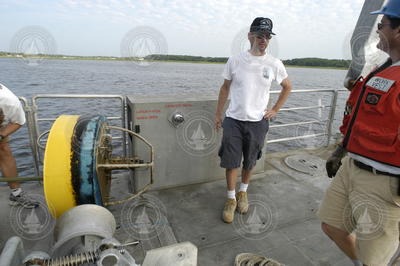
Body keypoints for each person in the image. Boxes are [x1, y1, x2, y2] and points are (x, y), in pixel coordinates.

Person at [318, 0, 400, 265]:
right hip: (352, 167)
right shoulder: (385, 67)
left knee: (374, 259)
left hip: (384, 182)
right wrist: (341, 150)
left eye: (382, 24)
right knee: (332, 226)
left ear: (398, 31)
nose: (377, 29)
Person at [215, 17, 292, 223]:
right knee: (231, 161)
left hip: (258, 121)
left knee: (250, 160)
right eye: (259, 35)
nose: (263, 40)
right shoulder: (235, 60)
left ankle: (243, 192)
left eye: (267, 36)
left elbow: (287, 86)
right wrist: (218, 114)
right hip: (233, 119)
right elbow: (225, 88)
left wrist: (275, 109)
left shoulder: (274, 64)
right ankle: (231, 199)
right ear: (250, 36)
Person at [0, 83, 38, 208]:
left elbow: (18, 121)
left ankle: (16, 195)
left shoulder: (9, 102)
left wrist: (2, 134)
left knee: (4, 150)